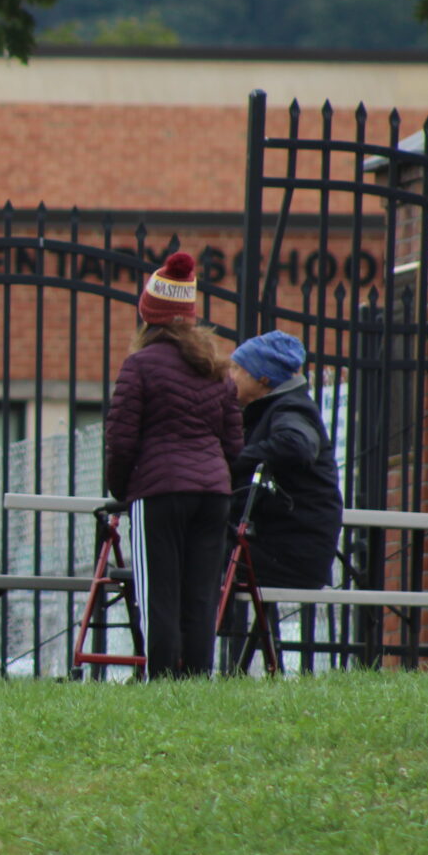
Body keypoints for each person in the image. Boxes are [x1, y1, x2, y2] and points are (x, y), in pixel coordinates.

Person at [103, 251, 243, 679]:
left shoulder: (139, 366)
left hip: (159, 494)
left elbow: (121, 439)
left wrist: (122, 490)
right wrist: (219, 481)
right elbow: (234, 443)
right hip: (213, 496)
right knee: (201, 595)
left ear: (150, 316)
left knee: (157, 596)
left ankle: (162, 683)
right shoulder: (216, 368)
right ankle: (196, 683)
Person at [228, 330, 342, 587]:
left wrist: (232, 460)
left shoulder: (290, 407)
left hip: (291, 552)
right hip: (283, 544)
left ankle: (206, 629)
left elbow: (297, 444)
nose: (229, 377)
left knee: (199, 557)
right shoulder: (272, 409)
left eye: (236, 369)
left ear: (263, 377)